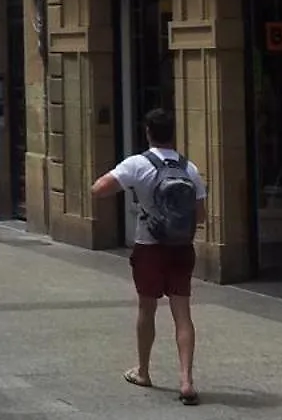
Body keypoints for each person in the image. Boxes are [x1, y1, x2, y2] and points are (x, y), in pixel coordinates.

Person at [91, 108, 207, 407]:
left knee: (147, 309)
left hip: (149, 246)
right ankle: (186, 381)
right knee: (183, 314)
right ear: (173, 132)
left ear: (147, 132)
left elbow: (99, 189)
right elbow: (202, 216)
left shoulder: (138, 164)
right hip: (182, 248)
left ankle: (143, 371)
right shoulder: (189, 168)